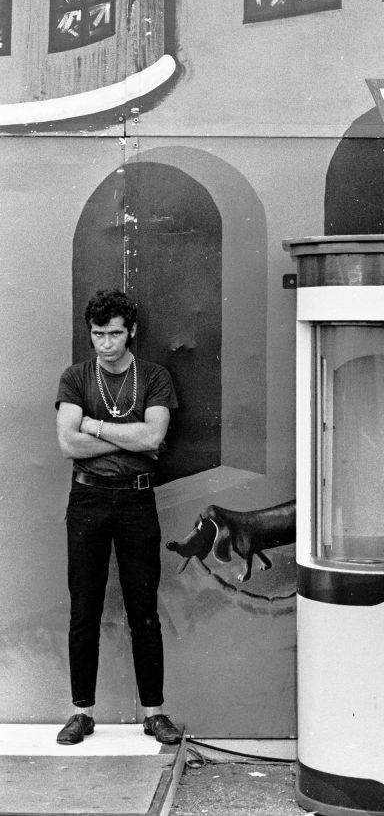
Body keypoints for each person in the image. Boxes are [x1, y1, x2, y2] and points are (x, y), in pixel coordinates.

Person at [55, 289, 183, 746]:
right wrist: (131, 436)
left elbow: (153, 436)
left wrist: (93, 425)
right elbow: (68, 444)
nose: (106, 343)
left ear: (131, 332)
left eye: (114, 334)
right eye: (97, 334)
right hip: (87, 499)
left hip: (136, 500)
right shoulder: (76, 378)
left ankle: (154, 714)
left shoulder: (153, 376)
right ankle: (82, 714)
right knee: (84, 610)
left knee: (143, 610)